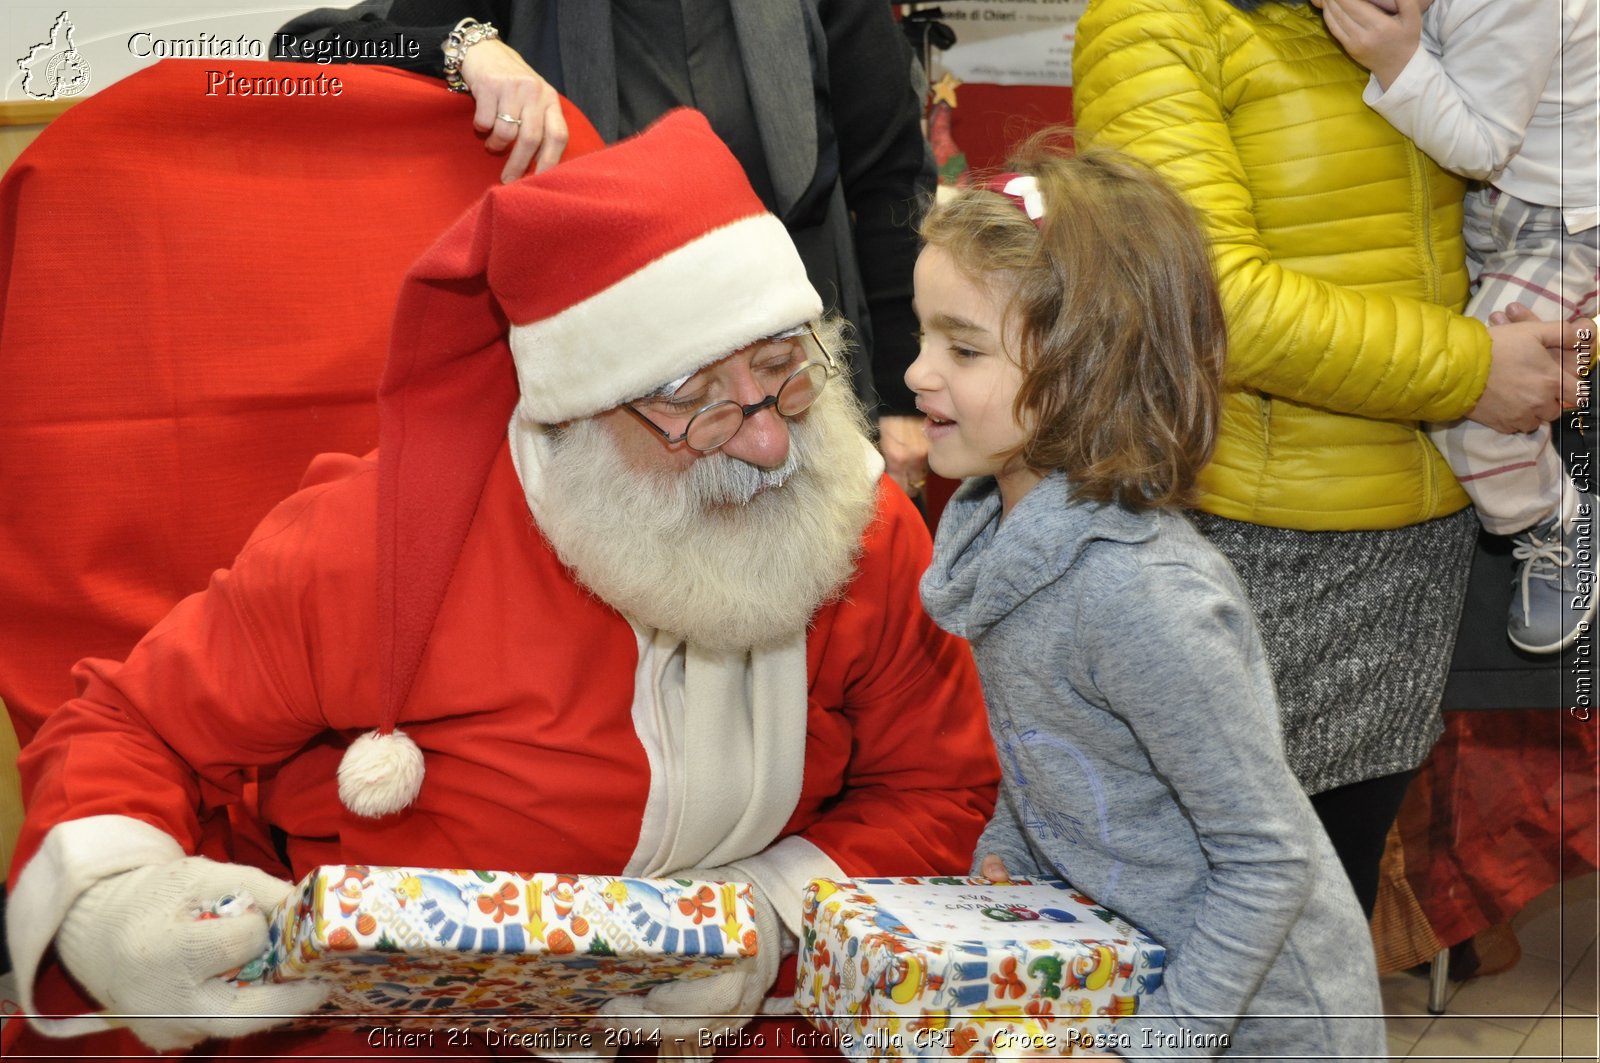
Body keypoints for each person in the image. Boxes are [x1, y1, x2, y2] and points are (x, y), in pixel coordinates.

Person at [2, 110, 999, 1060]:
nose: (773, 439)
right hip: (409, 1022)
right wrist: (113, 903)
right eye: (694, 404)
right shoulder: (375, 546)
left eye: (786, 370)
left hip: (749, 1009)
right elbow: (131, 724)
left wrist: (769, 915)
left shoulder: (853, 523)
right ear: (570, 420)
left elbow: (944, 783)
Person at [1071, 0, 1589, 919]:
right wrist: (1477, 370)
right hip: (1246, 543)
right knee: (1210, 922)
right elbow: (1211, 303)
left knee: (1331, 927)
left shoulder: (1392, 12)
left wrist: (1572, 348)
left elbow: (1541, 216)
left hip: (1417, 540)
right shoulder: (1154, 22)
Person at [910, 144, 1386, 1057]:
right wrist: (1003, 860)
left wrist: (1162, 1042)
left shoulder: (1139, 594)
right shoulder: (1003, 546)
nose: (918, 372)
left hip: (1259, 1023)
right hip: (1135, 983)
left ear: (1086, 365)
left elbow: (1268, 856)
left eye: (962, 347)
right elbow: (1048, 757)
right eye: (927, 336)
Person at [273, 0, 936, 497]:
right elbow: (304, 48)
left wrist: (901, 395)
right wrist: (466, 48)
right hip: (620, 421)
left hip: (799, 386)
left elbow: (890, 177)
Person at [1312, 0, 1597, 653]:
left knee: (1467, 391)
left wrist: (1393, 58)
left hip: (1561, 229)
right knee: (1420, 355)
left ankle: (1561, 522)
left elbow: (1481, 144)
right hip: (1496, 205)